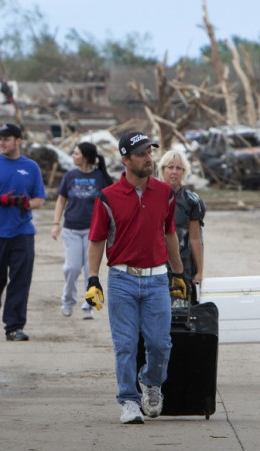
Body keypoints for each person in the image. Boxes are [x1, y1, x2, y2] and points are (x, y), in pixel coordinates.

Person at [85, 130, 187, 424]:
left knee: (159, 344)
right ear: (125, 159)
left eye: (150, 152)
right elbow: (96, 240)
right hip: (121, 279)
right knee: (126, 344)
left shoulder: (165, 193)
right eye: (142, 154)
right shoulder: (107, 197)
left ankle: (152, 384)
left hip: (156, 280)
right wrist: (93, 279)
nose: (148, 158)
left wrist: (178, 273)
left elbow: (169, 233)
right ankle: (128, 401)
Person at [0, 123, 47, 341]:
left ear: (18, 141)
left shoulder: (30, 167)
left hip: (22, 233)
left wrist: (26, 203)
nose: (1, 142)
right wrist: (1, 199)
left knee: (20, 281)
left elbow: (39, 200)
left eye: (6, 138)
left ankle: (14, 327)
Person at [50, 142, 113, 320]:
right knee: (72, 267)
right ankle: (68, 300)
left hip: (93, 232)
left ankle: (88, 304)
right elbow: (61, 200)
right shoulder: (70, 176)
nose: (73, 156)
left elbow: (110, 202)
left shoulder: (100, 177)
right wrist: (56, 224)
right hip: (71, 229)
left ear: (85, 157)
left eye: (76, 153)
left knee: (90, 270)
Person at [157, 150, 206, 304]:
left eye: (179, 168)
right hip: (155, 266)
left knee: (182, 314)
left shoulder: (192, 201)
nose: (174, 172)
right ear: (162, 169)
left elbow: (195, 238)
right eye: (170, 167)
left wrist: (199, 271)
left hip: (183, 266)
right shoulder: (150, 196)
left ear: (184, 172)